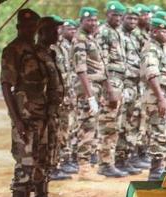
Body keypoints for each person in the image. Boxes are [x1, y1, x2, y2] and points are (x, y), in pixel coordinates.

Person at [1, 9, 49, 197]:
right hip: (25, 113)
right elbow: (6, 85)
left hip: (39, 111)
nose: (30, 30)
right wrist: (16, 119)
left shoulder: (36, 49)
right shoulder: (13, 50)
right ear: (19, 27)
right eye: (26, 26)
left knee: (35, 158)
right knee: (24, 159)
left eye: (33, 27)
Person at [73, 7, 119, 178]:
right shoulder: (80, 40)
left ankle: (88, 165)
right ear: (81, 21)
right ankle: (84, 167)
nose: (92, 23)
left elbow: (100, 66)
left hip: (96, 87)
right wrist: (90, 95)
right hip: (87, 88)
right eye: (88, 20)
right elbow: (81, 70)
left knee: (93, 126)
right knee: (87, 126)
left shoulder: (91, 38)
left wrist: (108, 88)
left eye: (94, 20)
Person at [33, 16, 68, 197]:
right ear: (42, 32)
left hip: (51, 113)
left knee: (49, 155)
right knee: (38, 155)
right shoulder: (35, 54)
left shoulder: (50, 53)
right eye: (53, 30)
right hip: (39, 114)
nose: (57, 34)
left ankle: (43, 196)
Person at [141, 17, 166, 180]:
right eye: (161, 31)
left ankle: (162, 168)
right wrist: (161, 98)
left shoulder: (163, 47)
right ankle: (155, 171)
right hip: (157, 97)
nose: (165, 34)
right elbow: (152, 75)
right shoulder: (151, 49)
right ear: (153, 32)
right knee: (158, 132)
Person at [97, 1, 131, 176]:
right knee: (108, 124)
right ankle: (104, 163)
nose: (117, 18)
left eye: (120, 15)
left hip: (120, 82)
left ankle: (109, 161)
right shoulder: (104, 33)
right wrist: (108, 88)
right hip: (110, 83)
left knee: (115, 124)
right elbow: (102, 62)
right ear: (107, 15)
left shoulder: (117, 32)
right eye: (114, 15)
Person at [118, 6, 147, 174]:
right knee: (122, 122)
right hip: (124, 84)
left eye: (135, 19)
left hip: (135, 84)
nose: (133, 22)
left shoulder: (134, 36)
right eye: (129, 18)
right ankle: (120, 159)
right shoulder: (117, 35)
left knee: (133, 121)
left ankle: (129, 157)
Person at [51, 19, 77, 179]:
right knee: (55, 132)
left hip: (66, 96)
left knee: (64, 129)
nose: (59, 30)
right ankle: (53, 166)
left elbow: (67, 74)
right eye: (57, 27)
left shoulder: (63, 48)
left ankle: (61, 162)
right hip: (55, 99)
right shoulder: (51, 48)